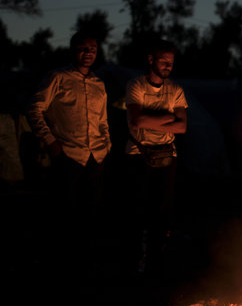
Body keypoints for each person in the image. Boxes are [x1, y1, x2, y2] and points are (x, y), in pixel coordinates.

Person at [27, 31, 111, 243]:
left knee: (91, 214)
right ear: (73, 50)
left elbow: (103, 121)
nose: (88, 53)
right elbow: (34, 109)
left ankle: (87, 261)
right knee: (66, 214)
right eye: (83, 48)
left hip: (95, 157)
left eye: (92, 49)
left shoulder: (98, 84)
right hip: (68, 155)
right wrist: (50, 141)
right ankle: (64, 260)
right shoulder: (57, 77)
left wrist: (106, 147)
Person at [124, 39, 188, 277]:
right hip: (138, 154)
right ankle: (134, 264)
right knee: (137, 210)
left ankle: (156, 263)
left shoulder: (176, 90)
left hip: (166, 156)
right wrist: (168, 118)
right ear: (151, 60)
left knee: (163, 211)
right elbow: (137, 120)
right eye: (163, 61)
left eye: (171, 63)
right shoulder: (136, 86)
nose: (168, 66)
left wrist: (152, 118)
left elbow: (182, 127)